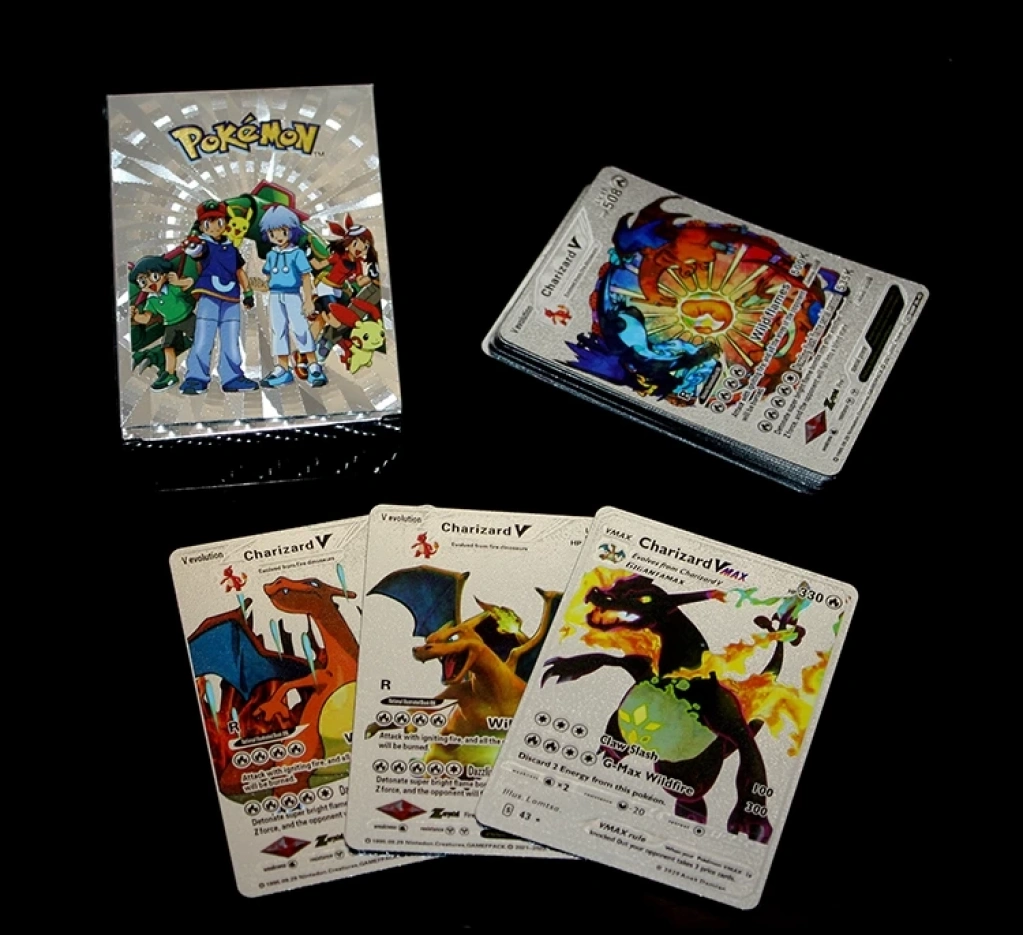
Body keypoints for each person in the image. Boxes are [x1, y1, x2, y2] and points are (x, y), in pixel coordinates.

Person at [179, 200, 259, 395]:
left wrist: (248, 292)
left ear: (225, 223)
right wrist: (192, 246)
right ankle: (196, 377)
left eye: (219, 222)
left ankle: (232, 376)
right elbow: (196, 254)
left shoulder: (231, 247)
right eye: (208, 223)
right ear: (201, 226)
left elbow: (239, 271)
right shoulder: (204, 245)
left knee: (231, 339)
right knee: (204, 337)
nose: (214, 227)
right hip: (209, 296)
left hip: (231, 298)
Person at [258, 205, 326, 388]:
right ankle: (282, 368)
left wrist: (308, 300)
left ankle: (313, 366)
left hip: (293, 295)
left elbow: (306, 277)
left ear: (291, 230)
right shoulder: (271, 255)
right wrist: (262, 286)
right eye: (272, 233)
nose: (278, 236)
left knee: (301, 329)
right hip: (275, 296)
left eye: (283, 231)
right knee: (278, 330)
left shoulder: (297, 253)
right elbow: (269, 278)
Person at [130, 256, 195, 391]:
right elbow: (146, 318)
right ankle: (170, 375)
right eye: (143, 281)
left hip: (187, 318)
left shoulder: (171, 288)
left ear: (164, 275)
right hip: (170, 324)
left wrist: (178, 282)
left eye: (154, 276)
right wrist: (135, 316)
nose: (149, 283)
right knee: (168, 347)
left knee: (197, 339)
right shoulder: (151, 300)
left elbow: (189, 283)